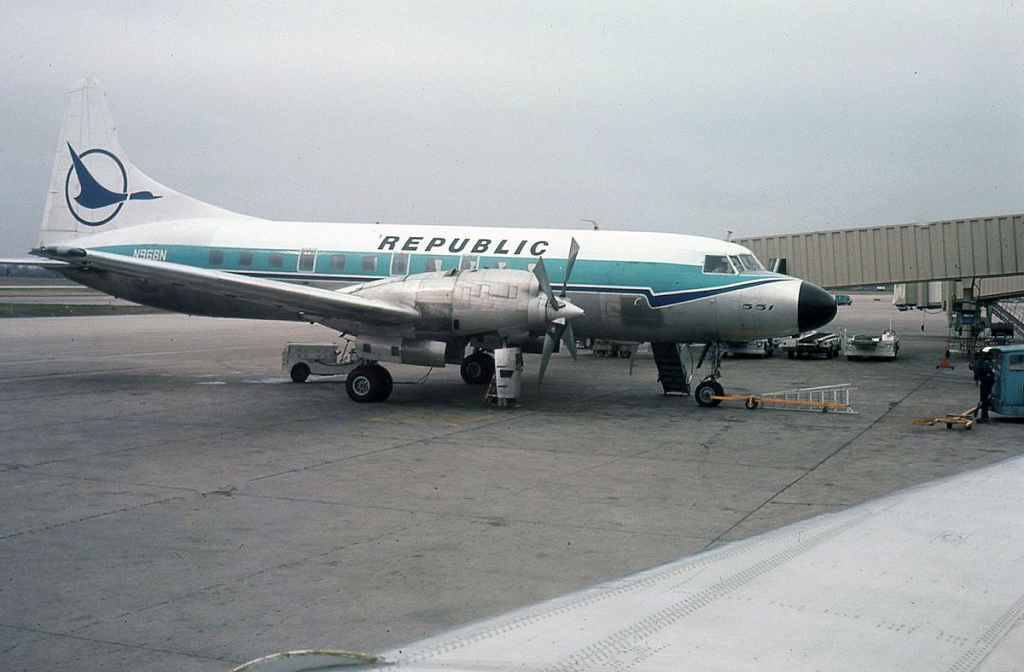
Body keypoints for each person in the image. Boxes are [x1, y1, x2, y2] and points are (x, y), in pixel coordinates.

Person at [975, 355, 996, 423]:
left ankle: (984, 417)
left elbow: (977, 371)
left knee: (984, 399)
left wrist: (977, 379)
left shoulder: (981, 362)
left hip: (985, 382)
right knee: (987, 399)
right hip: (990, 382)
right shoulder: (991, 363)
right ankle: (985, 416)